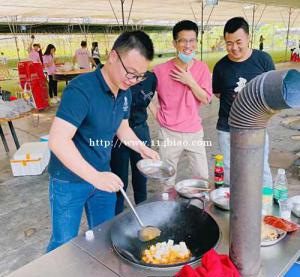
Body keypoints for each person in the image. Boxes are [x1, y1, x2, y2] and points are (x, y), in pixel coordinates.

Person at [47, 30, 159, 252]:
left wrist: (142, 148)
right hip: (69, 179)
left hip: (103, 175)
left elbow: (122, 127)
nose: (133, 80)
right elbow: (58, 141)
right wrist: (94, 177)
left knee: (105, 234)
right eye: (130, 72)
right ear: (113, 56)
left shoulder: (125, 91)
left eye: (140, 76)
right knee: (63, 242)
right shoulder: (81, 90)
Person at [212, 17, 275, 187]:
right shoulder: (220, 67)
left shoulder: (263, 60)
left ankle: (265, 210)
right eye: (229, 43)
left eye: (238, 42)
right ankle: (233, 209)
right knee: (231, 170)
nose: (234, 48)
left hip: (256, 128)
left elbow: (271, 90)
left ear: (248, 38)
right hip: (227, 128)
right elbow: (218, 94)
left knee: (261, 169)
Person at [150, 20, 212, 190]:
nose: (188, 45)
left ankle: (200, 209)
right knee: (167, 180)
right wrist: (158, 116)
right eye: (183, 40)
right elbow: (146, 96)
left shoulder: (202, 69)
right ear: (175, 43)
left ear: (197, 43)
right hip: (169, 133)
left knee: (202, 177)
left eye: (192, 40)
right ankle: (168, 211)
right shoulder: (160, 70)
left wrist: (190, 81)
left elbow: (206, 99)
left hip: (194, 132)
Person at [110, 71, 157, 214]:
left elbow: (149, 101)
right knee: (119, 179)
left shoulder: (151, 79)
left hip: (141, 129)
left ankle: (142, 213)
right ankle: (116, 215)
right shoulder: (118, 77)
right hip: (117, 134)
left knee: (141, 177)